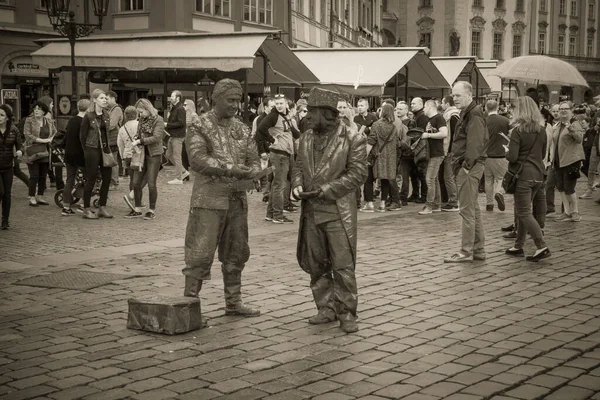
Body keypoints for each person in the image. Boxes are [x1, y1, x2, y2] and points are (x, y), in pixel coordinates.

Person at [182, 78, 262, 318]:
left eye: (238, 100)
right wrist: (230, 168)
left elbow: (253, 155)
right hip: (208, 200)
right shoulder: (199, 126)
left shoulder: (242, 128)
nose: (236, 105)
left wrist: (255, 170)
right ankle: (188, 304)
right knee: (200, 252)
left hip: (237, 200)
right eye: (231, 100)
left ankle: (233, 302)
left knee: (236, 251)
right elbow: (197, 159)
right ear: (215, 99)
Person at [292, 87, 367, 333]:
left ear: (326, 113)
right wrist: (296, 185)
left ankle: (347, 312)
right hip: (311, 211)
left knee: (343, 265)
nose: (306, 116)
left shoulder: (353, 137)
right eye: (306, 111)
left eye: (311, 111)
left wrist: (325, 190)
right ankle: (326, 307)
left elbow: (358, 174)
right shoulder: (304, 138)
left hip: (337, 211)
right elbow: (297, 167)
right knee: (317, 264)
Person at [444, 82, 488, 263]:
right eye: (453, 95)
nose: (455, 98)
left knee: (467, 210)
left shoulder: (474, 113)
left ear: (469, 95)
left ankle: (466, 251)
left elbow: (475, 143)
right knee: (473, 209)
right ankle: (478, 249)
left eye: (458, 95)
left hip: (469, 166)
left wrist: (466, 166)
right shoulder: (470, 112)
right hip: (469, 165)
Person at [505, 96, 551, 261]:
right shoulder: (542, 130)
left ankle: (541, 245)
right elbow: (543, 154)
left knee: (523, 211)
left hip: (523, 175)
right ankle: (518, 245)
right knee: (523, 211)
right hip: (538, 175)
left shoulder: (518, 131)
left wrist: (507, 151)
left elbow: (513, 157)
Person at [257, 94, 300, 224]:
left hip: (283, 154)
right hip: (279, 154)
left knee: (277, 184)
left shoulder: (284, 116)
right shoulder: (273, 116)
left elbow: (294, 133)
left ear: (286, 103)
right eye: (277, 103)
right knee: (279, 186)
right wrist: (272, 139)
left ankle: (271, 214)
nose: (279, 106)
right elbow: (260, 129)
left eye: (281, 103)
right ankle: (278, 215)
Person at [127, 98, 165, 220]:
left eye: (142, 112)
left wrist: (140, 141)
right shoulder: (142, 120)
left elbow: (157, 137)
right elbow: (138, 133)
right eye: (139, 112)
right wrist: (135, 138)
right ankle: (137, 208)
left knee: (151, 183)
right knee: (136, 182)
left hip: (154, 154)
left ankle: (151, 210)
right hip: (141, 154)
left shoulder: (158, 120)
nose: (140, 114)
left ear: (148, 109)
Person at [79, 89, 113, 220]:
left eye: (105, 98)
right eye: (102, 98)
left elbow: (107, 133)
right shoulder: (88, 116)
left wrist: (107, 148)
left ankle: (102, 207)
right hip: (92, 149)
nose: (105, 100)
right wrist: (87, 151)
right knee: (91, 179)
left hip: (104, 149)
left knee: (107, 178)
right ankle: (86, 209)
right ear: (94, 100)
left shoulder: (106, 115)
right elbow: (82, 136)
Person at [551, 102, 586, 222]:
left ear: (571, 110)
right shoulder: (558, 125)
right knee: (561, 187)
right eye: (561, 109)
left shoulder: (574, 123)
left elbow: (579, 139)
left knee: (569, 187)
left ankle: (575, 212)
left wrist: (569, 127)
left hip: (570, 160)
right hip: (557, 161)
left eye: (566, 108)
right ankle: (566, 212)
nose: (563, 111)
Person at [23, 100, 56, 207]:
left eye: (39, 109)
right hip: (33, 151)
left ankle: (40, 196)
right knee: (34, 175)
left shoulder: (49, 121)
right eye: (35, 108)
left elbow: (55, 132)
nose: (36, 110)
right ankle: (32, 196)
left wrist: (52, 138)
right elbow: (28, 136)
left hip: (45, 152)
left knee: (43, 175)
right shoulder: (29, 120)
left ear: (44, 111)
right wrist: (44, 140)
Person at [419, 100, 448, 215]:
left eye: (425, 107)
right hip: (432, 153)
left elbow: (444, 133)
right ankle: (436, 205)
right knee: (434, 179)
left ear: (430, 107)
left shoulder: (439, 118)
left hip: (437, 153)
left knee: (429, 179)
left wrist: (429, 135)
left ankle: (429, 206)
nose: (423, 110)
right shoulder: (431, 120)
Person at [368, 103, 398, 213]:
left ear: (383, 112)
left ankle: (369, 203)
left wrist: (366, 154)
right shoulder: (394, 127)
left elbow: (371, 140)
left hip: (377, 156)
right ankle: (382, 204)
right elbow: (396, 144)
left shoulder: (376, 125)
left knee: (370, 178)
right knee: (385, 179)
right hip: (390, 157)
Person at [61, 99, 89, 216]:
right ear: (88, 109)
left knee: (69, 180)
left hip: (69, 154)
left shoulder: (71, 120)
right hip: (80, 155)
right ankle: (83, 204)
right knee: (88, 179)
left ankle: (66, 206)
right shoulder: (84, 122)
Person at [484, 100, 510, 212]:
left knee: (488, 179)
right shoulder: (505, 121)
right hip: (501, 154)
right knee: (500, 178)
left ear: (486, 108)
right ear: (498, 107)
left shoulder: (483, 121)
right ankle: (499, 192)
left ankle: (489, 203)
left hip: (487, 155)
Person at [0, 104, 23, 229]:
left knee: (7, 194)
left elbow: (20, 146)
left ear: (7, 118)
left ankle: (5, 220)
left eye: (2, 115)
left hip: (8, 166)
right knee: (0, 191)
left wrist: (20, 151)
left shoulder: (14, 130)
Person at [117, 105, 143, 212]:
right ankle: (138, 199)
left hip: (127, 155)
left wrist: (123, 157)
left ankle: (133, 197)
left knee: (132, 178)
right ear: (136, 114)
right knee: (139, 179)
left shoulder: (122, 128)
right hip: (138, 155)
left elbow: (120, 144)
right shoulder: (139, 125)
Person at [440, 95, 460, 212]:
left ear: (447, 103)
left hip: (450, 150)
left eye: (443, 102)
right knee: (448, 176)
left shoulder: (452, 116)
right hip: (450, 149)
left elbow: (454, 135)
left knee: (449, 176)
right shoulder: (454, 114)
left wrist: (450, 150)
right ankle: (450, 199)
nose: (441, 105)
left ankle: (453, 202)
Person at [165, 90, 188, 185]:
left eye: (172, 96)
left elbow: (181, 123)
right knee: (169, 154)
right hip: (173, 135)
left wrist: (167, 124)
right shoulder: (175, 108)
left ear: (177, 98)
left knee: (176, 157)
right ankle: (183, 172)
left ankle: (179, 178)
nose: (171, 98)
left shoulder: (180, 108)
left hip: (177, 136)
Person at [106, 91, 123, 188]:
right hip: (111, 138)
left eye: (107, 99)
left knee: (113, 160)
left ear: (113, 98)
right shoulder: (110, 109)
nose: (106, 101)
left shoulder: (116, 110)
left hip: (114, 138)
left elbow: (111, 125)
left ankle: (114, 182)